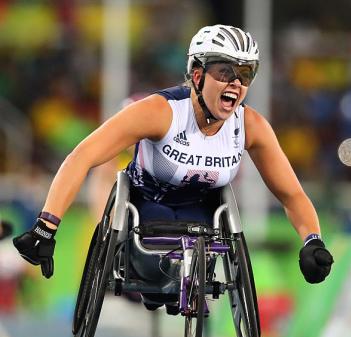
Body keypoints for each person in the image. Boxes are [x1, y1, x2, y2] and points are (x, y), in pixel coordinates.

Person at [13, 24, 334, 306]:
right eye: (226, 72)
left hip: (204, 212)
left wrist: (313, 241)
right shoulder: (160, 111)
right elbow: (82, 156)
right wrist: (46, 226)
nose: (236, 83)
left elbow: (291, 194)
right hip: (148, 205)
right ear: (197, 75)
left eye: (245, 74)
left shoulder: (251, 126)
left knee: (194, 258)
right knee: (156, 273)